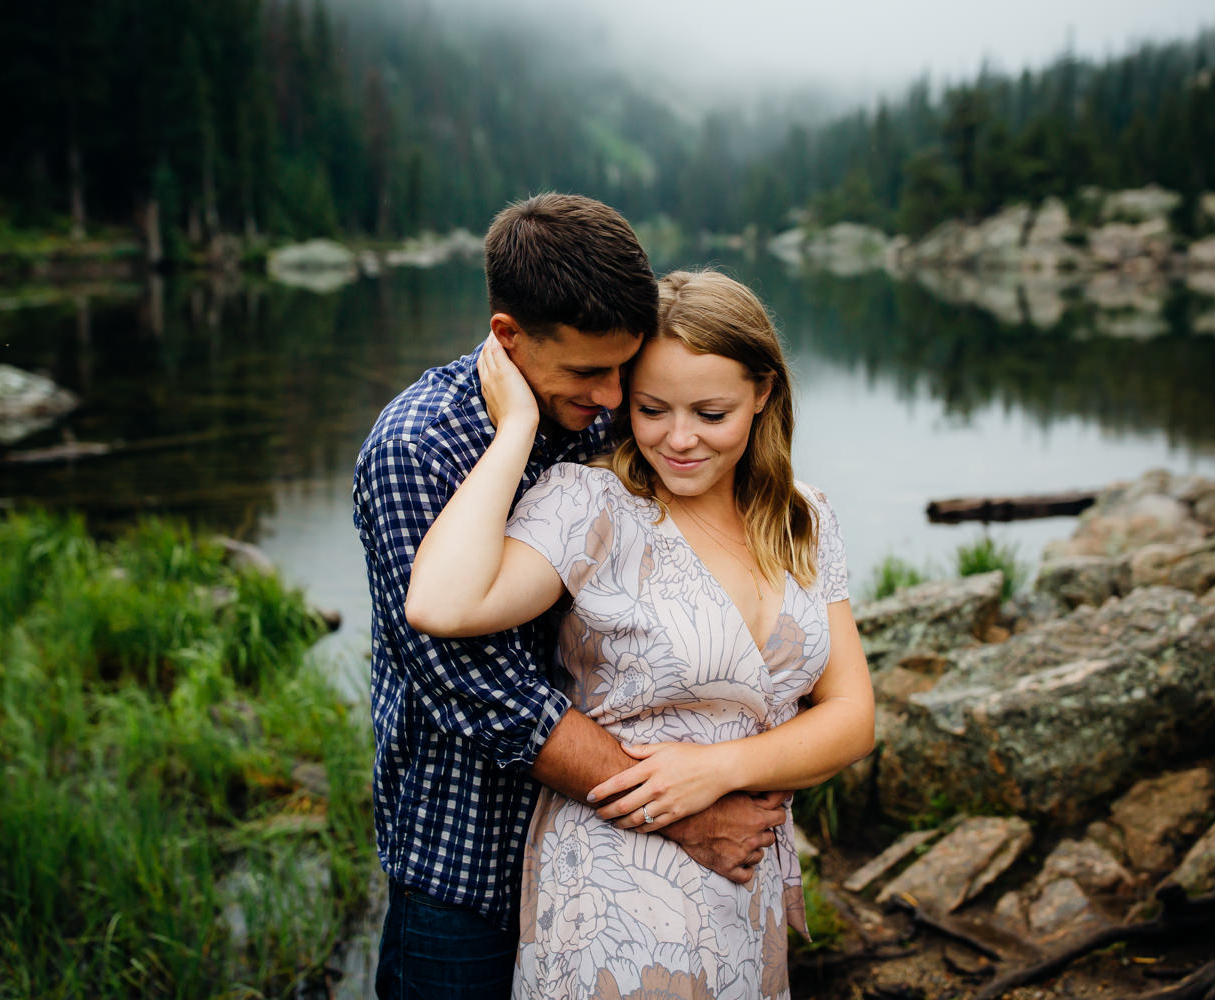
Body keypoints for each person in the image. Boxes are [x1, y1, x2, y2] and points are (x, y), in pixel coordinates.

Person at [353, 197, 791, 1000]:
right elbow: (485, 694)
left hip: (609, 855)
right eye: (590, 372)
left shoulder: (606, 419)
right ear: (508, 336)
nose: (618, 399)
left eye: (626, 369)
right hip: (468, 859)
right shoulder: (416, 448)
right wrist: (687, 813)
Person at [406, 269, 876, 999]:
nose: (679, 439)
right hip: (617, 886)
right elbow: (441, 603)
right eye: (653, 409)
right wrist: (517, 430)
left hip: (745, 880)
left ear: (764, 394)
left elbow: (852, 717)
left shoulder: (804, 519)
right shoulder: (591, 505)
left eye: (711, 413)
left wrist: (720, 770)